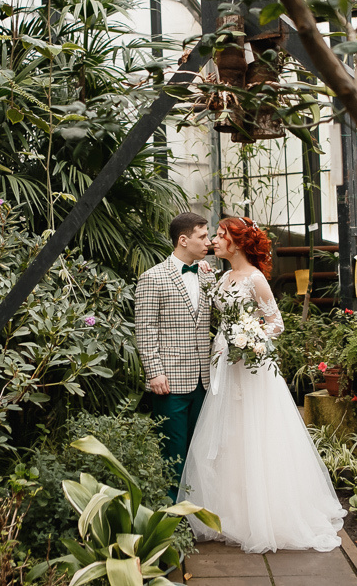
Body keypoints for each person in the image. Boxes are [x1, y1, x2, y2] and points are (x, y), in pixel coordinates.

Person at [181, 216, 345, 553]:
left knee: (257, 432)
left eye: (221, 235)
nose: (214, 239)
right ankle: (230, 512)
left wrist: (250, 340)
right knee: (228, 434)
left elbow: (276, 324)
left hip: (252, 368)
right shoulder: (224, 276)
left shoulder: (256, 280)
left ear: (237, 243)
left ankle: (266, 514)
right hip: (224, 363)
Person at [135, 211, 213, 500]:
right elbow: (145, 328)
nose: (208, 241)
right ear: (184, 240)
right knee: (173, 455)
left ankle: (196, 518)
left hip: (204, 381)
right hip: (169, 382)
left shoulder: (207, 275)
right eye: (202, 236)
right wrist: (154, 372)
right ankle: (171, 523)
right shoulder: (152, 278)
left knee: (200, 454)